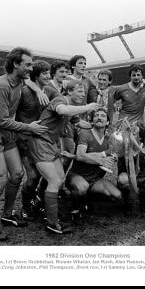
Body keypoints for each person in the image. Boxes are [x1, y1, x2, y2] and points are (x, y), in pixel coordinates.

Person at [0, 47, 48, 242]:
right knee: (0, 179)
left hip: (7, 131)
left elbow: (30, 81)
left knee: (17, 174)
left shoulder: (21, 79)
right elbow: (0, 121)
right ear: (16, 64)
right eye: (28, 65)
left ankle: (7, 214)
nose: (31, 69)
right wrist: (29, 128)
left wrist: (38, 90)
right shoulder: (1, 85)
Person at [27, 80, 99, 234]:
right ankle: (52, 223)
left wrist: (99, 124)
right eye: (79, 91)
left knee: (59, 181)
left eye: (83, 92)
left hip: (51, 144)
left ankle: (38, 204)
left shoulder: (71, 109)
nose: (82, 95)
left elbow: (80, 123)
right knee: (54, 181)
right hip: (40, 143)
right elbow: (62, 111)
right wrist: (87, 107)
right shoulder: (60, 100)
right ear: (69, 91)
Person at [16, 60, 61, 221]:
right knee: (33, 176)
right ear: (36, 75)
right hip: (25, 139)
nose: (49, 76)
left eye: (49, 73)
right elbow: (11, 114)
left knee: (47, 176)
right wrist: (26, 127)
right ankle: (25, 207)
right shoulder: (24, 92)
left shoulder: (50, 91)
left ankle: (38, 202)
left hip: (41, 141)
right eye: (45, 73)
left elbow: (63, 101)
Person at [63, 108, 120, 224]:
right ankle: (74, 209)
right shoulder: (85, 134)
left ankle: (88, 200)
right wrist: (100, 160)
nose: (99, 117)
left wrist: (112, 158)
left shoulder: (110, 139)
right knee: (82, 187)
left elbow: (112, 155)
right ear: (92, 121)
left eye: (103, 116)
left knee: (116, 195)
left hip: (94, 179)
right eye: (96, 116)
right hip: (77, 176)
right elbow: (80, 155)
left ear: (108, 122)